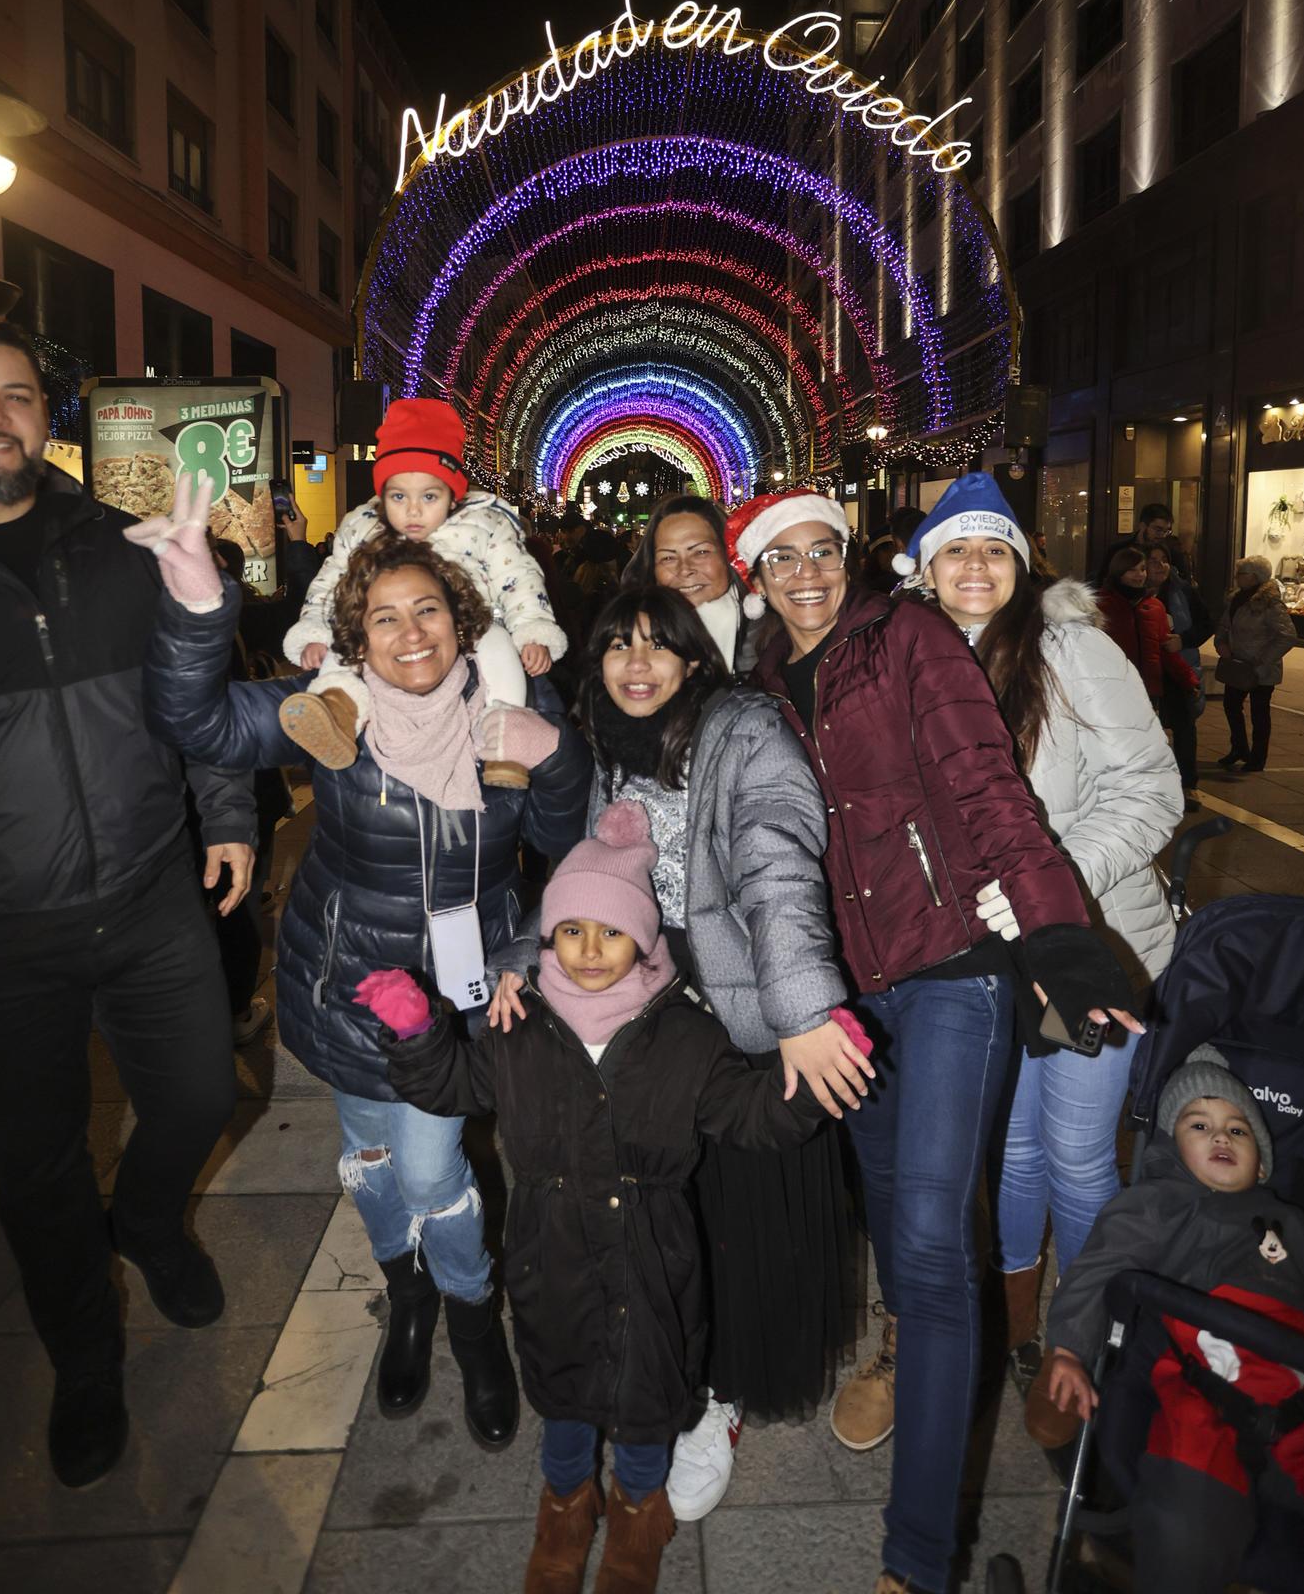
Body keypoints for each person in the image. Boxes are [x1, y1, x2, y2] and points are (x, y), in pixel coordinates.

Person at [735, 485, 1137, 1594]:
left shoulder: (904, 638)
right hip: (850, 999)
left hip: (953, 964)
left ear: (850, 556)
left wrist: (1057, 930)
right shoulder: (759, 679)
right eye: (782, 558)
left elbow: (985, 787)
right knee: (892, 1213)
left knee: (925, 1233)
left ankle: (915, 1561)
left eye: (823, 549)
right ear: (754, 575)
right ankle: (910, 1367)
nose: (807, 571)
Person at [133, 488, 592, 1447]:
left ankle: (471, 1318)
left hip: (458, 1001)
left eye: (428, 609)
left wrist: (555, 762)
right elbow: (200, 726)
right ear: (357, 636)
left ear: (461, 617)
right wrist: (193, 604)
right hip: (342, 984)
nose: (410, 633)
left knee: (431, 1171)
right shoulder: (328, 719)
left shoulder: (513, 707)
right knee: (373, 1160)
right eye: (383, 617)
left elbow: (563, 842)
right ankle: (407, 1293)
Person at [373, 801, 838, 1594]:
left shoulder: (685, 1039)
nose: (590, 952)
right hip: (548, 1255)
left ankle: (637, 1510)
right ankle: (564, 1505)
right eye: (572, 931)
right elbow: (454, 1084)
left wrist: (810, 1088)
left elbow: (748, 1115)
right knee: (561, 1389)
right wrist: (416, 1033)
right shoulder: (517, 1029)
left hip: (655, 1263)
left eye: (611, 932)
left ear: (644, 938)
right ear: (548, 936)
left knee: (650, 1393)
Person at [491, 582, 868, 1521]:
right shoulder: (605, 751)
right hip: (637, 1025)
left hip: (732, 1027)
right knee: (658, 1232)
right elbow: (578, 879)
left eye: (659, 646)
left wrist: (802, 1006)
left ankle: (714, 1399)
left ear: (697, 658)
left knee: (732, 1235)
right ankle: (648, 1378)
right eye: (618, 644)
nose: (637, 663)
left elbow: (777, 859)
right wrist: (520, 962)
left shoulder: (742, 728)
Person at [0, 318, 256, 1490]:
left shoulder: (121, 542)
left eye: (17, 395)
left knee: (198, 1095)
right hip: (3, 940)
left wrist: (230, 808)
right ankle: (86, 1361)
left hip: (150, 895)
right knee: (40, 1175)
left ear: (52, 416)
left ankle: (147, 1219)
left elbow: (198, 691)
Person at [912, 474, 1182, 1421]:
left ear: (1021, 565)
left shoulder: (1071, 648)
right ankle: (1017, 1325)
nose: (975, 566)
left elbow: (1152, 792)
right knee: (1014, 1152)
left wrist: (1042, 887)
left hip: (1082, 942)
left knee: (1074, 1153)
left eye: (993, 549)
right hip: (983, 956)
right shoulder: (917, 658)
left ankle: (1087, 1343)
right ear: (926, 568)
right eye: (956, 549)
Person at [1041, 1047, 1304, 1594]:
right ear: (1172, 1147)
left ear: (1262, 1161)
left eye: (1239, 1130)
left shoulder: (1295, 1223)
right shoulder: (1158, 1205)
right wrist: (1068, 1348)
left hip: (1298, 1387)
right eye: (1200, 1125)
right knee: (1185, 1521)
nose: (1221, 1137)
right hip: (1204, 1386)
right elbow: (1102, 1267)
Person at [280, 398, 567, 777]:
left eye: (429, 496)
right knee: (344, 643)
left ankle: (504, 737)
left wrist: (532, 631)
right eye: (399, 496)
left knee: (499, 649)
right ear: (383, 495)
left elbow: (520, 580)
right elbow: (332, 583)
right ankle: (338, 711)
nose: (413, 511)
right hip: (385, 632)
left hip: (472, 625)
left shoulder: (484, 525)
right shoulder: (364, 527)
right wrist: (315, 630)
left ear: (452, 495)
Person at [622, 492, 752, 672]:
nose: (684, 569)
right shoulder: (626, 639)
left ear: (729, 555)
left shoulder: (772, 641)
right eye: (668, 558)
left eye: (701, 552)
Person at [1214, 556, 1298, 774]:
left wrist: (1263, 662)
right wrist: (1221, 642)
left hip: (1261, 669)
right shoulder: (1237, 599)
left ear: (1255, 576)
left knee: (1260, 713)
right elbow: (1224, 624)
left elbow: (1287, 636)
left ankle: (1257, 758)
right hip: (1238, 666)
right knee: (1231, 705)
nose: (1237, 578)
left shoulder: (1270, 603)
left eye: (1241, 573)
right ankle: (1240, 748)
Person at [1145, 542, 1213, 810]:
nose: (1159, 565)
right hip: (1143, 671)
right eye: (1153, 560)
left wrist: (1183, 640)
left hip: (1176, 668)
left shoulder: (1183, 591)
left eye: (1164, 560)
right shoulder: (1130, 592)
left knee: (1184, 728)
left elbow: (1206, 624)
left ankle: (1188, 785)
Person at [1096, 545, 1199, 710]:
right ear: (1119, 572)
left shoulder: (1154, 606)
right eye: (1132, 570)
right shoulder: (1102, 606)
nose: (1139, 575)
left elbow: (1164, 649)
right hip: (1114, 689)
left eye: (1142, 569)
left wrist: (1188, 679)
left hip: (1148, 690)